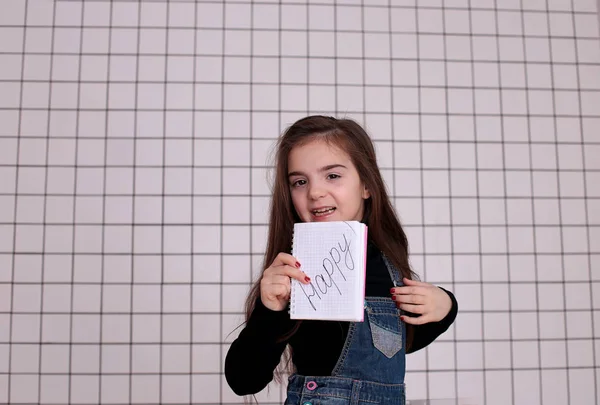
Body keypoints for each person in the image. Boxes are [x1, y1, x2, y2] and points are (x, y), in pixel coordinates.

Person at [224, 115, 458, 404]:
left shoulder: (388, 265)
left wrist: (445, 306)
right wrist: (269, 310)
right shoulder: (292, 275)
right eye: (299, 181)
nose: (315, 192)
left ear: (366, 185)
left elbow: (395, 346)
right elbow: (243, 379)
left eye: (332, 175)